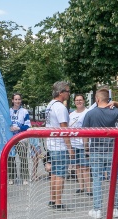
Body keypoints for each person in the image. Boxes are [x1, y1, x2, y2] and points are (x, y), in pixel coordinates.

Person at [82, 88, 118, 219]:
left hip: (96, 151)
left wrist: (86, 147)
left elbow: (85, 134)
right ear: (108, 100)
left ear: (97, 99)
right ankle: (115, 209)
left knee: (96, 180)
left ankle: (97, 209)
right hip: (111, 151)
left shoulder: (90, 113)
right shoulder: (113, 112)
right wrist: (116, 103)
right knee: (113, 180)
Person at [45, 81, 72, 210]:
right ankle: (58, 202)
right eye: (67, 91)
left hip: (51, 144)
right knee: (60, 173)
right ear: (61, 92)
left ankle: (52, 198)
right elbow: (64, 129)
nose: (69, 93)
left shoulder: (50, 105)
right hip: (60, 145)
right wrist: (70, 148)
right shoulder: (60, 107)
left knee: (54, 173)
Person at [69, 94, 91, 194]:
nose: (78, 102)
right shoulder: (71, 115)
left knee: (85, 167)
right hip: (74, 144)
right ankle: (81, 187)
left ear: (84, 101)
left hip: (84, 144)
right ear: (74, 102)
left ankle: (89, 189)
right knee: (77, 166)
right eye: (77, 100)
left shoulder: (88, 112)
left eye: (80, 100)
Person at [7, 93, 31, 185]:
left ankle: (25, 177)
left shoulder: (24, 111)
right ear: (12, 100)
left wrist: (19, 128)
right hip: (10, 137)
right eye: (15, 99)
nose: (17, 101)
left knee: (23, 157)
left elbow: (28, 125)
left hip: (21, 137)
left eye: (19, 99)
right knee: (10, 158)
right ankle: (11, 177)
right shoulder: (8, 111)